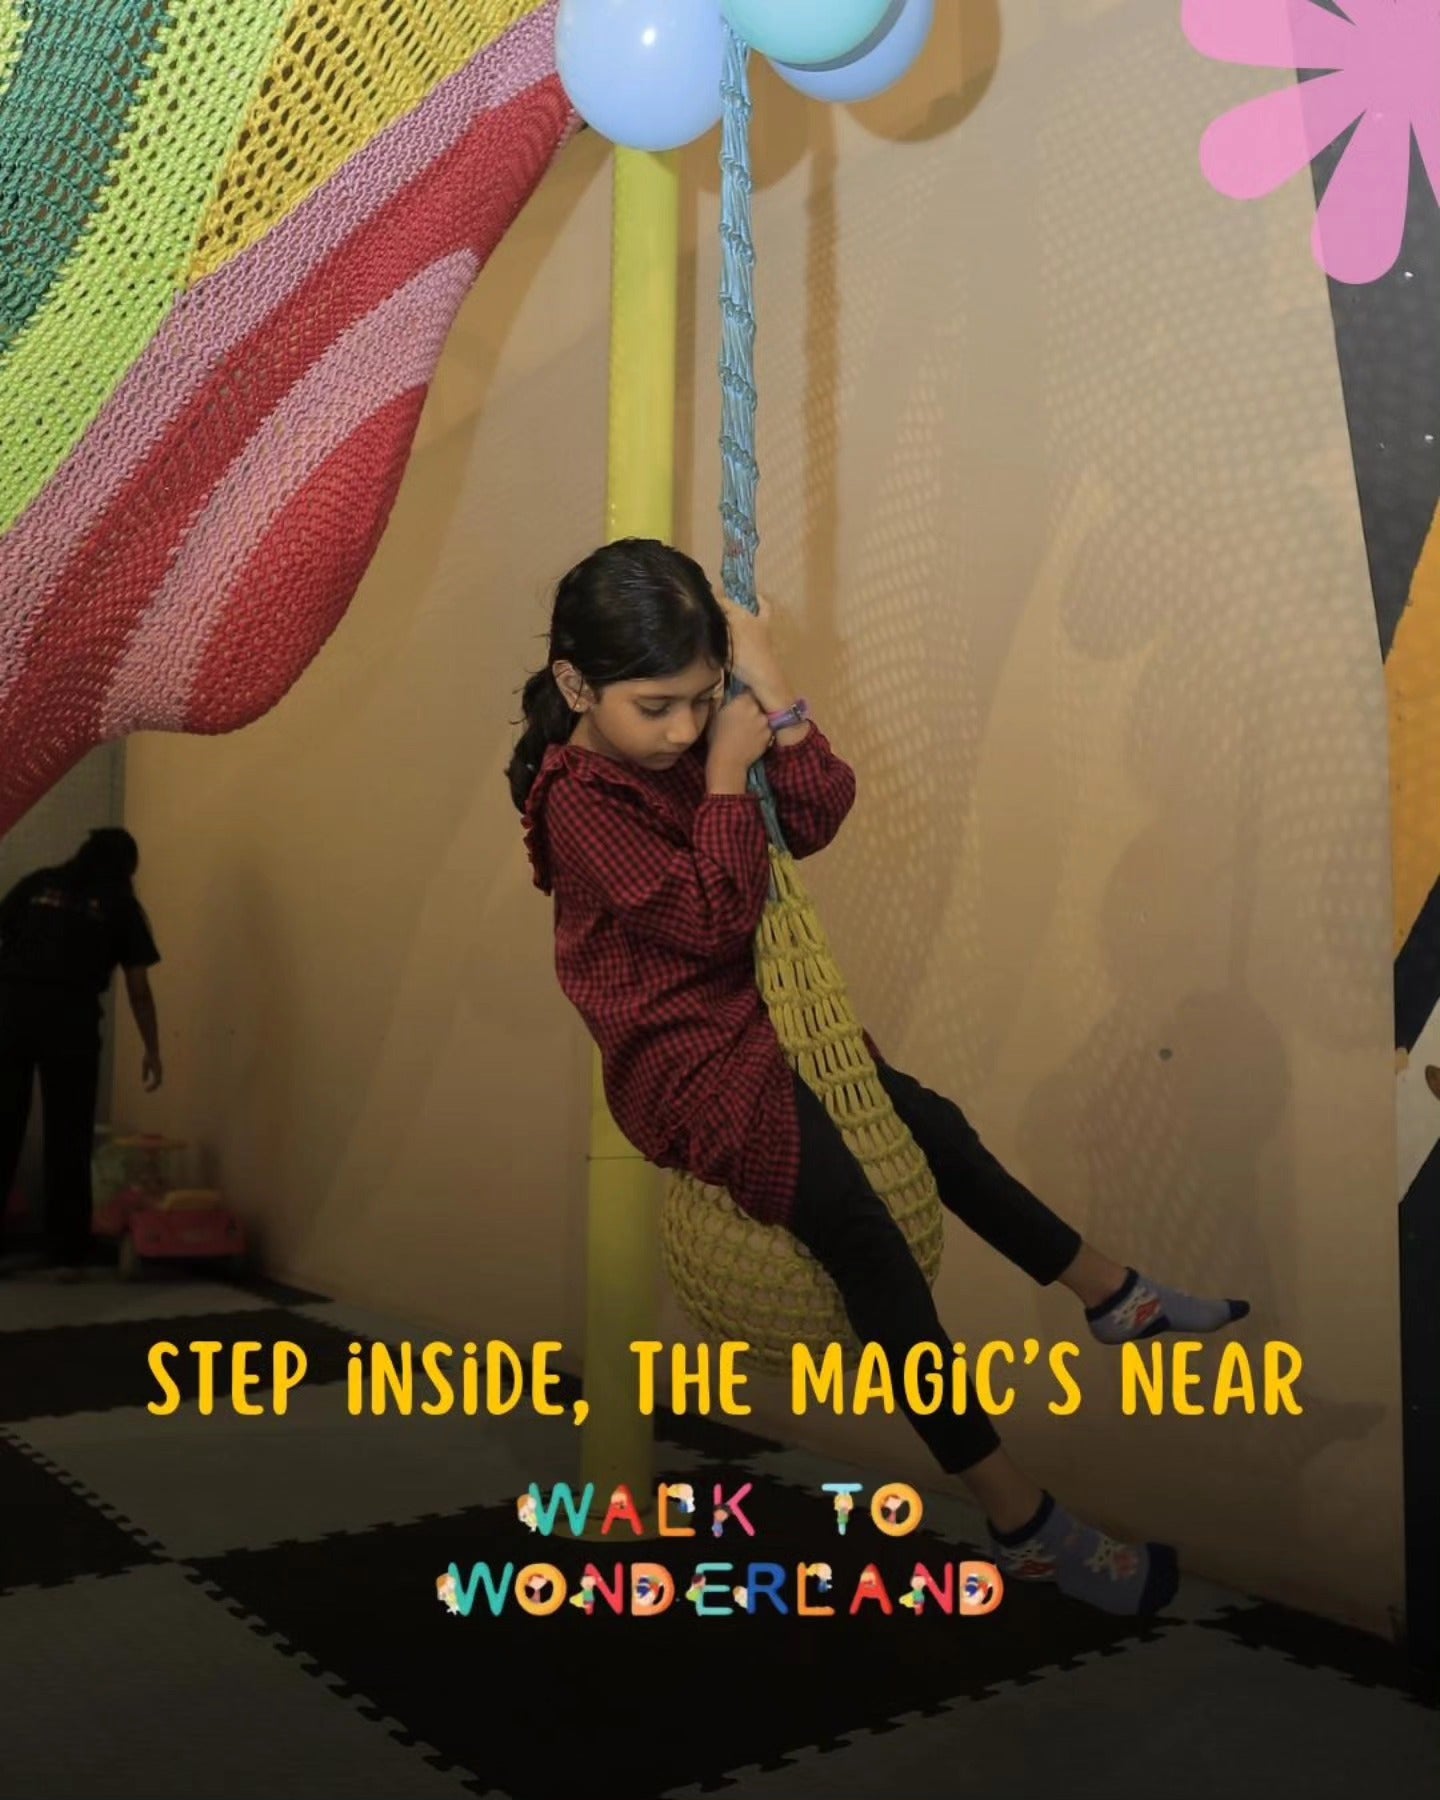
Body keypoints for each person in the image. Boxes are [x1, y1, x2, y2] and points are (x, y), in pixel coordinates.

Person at [508, 539, 1249, 1618]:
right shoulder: (580, 798)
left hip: (764, 1026)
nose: (680, 729)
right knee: (870, 1240)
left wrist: (775, 695)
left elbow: (812, 815)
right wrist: (722, 769)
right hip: (685, 1066)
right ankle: (1019, 1520)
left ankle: (1111, 1295)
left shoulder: (687, 741)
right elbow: (710, 921)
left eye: (700, 702)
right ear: (577, 685)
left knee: (932, 1126)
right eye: (656, 707)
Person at [0, 828, 163, 1279]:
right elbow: (139, 989)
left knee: (2, 1126)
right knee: (68, 1134)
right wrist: (152, 1048)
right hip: (70, 1021)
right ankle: (67, 1255)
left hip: (10, 1012)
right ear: (127, 868)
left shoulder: (37, 885)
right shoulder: (121, 906)